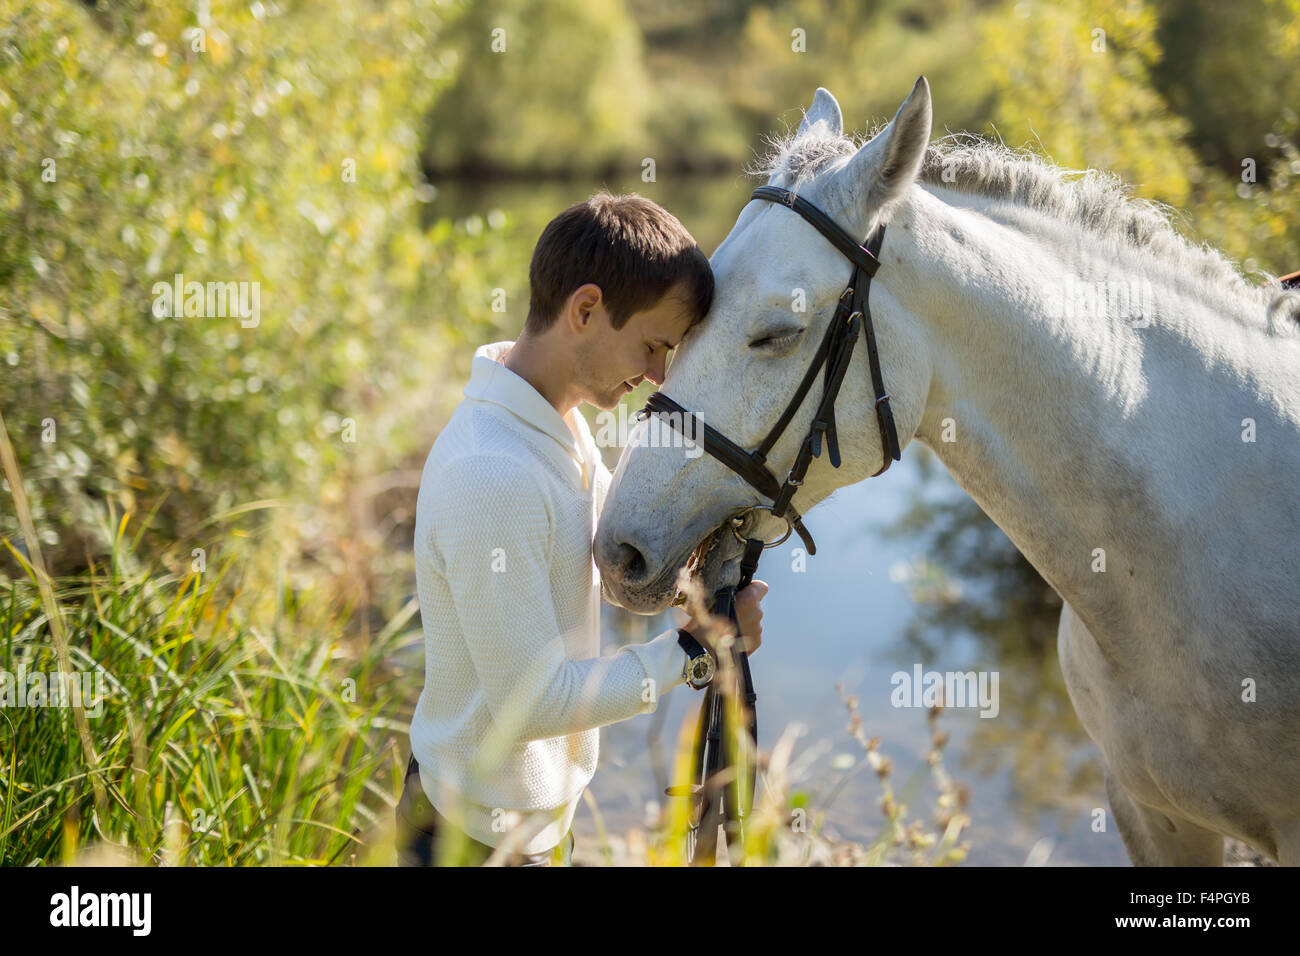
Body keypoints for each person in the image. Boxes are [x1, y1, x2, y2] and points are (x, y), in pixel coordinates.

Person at [397, 192, 769, 866]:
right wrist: (693, 654)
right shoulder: (493, 473)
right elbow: (533, 703)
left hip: (533, 830)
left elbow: (610, 562)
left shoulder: (555, 423)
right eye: (653, 346)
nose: (657, 375)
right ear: (586, 309)